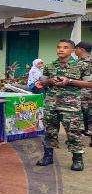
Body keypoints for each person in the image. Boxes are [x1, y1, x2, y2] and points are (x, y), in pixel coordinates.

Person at [36, 39, 87, 171]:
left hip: (71, 106)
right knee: (49, 131)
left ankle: (77, 160)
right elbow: (42, 81)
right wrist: (49, 81)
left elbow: (89, 83)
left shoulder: (81, 66)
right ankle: (48, 157)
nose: (61, 50)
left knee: (74, 132)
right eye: (59, 47)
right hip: (51, 104)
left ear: (72, 50)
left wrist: (69, 81)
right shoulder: (50, 66)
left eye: (65, 47)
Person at [75, 42, 92, 138]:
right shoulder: (80, 61)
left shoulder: (85, 62)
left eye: (76, 49)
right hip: (84, 90)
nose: (74, 51)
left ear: (82, 49)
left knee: (85, 111)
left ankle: (87, 130)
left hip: (85, 91)